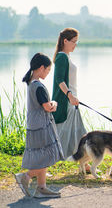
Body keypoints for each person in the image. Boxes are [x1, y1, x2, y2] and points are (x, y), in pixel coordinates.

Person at [15, 53, 64, 198]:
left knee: (42, 156)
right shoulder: (38, 86)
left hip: (33, 125)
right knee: (47, 155)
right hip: (41, 127)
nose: (48, 73)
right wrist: (55, 103)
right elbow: (48, 107)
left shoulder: (31, 82)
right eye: (48, 70)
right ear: (42, 68)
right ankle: (26, 177)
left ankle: (41, 188)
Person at [52, 28, 89, 169]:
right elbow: (59, 80)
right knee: (66, 134)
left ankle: (83, 162)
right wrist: (70, 96)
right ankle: (41, 166)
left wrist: (73, 97)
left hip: (72, 101)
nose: (75, 45)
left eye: (76, 42)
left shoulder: (66, 57)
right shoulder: (61, 57)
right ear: (65, 41)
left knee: (78, 132)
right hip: (66, 102)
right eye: (74, 41)